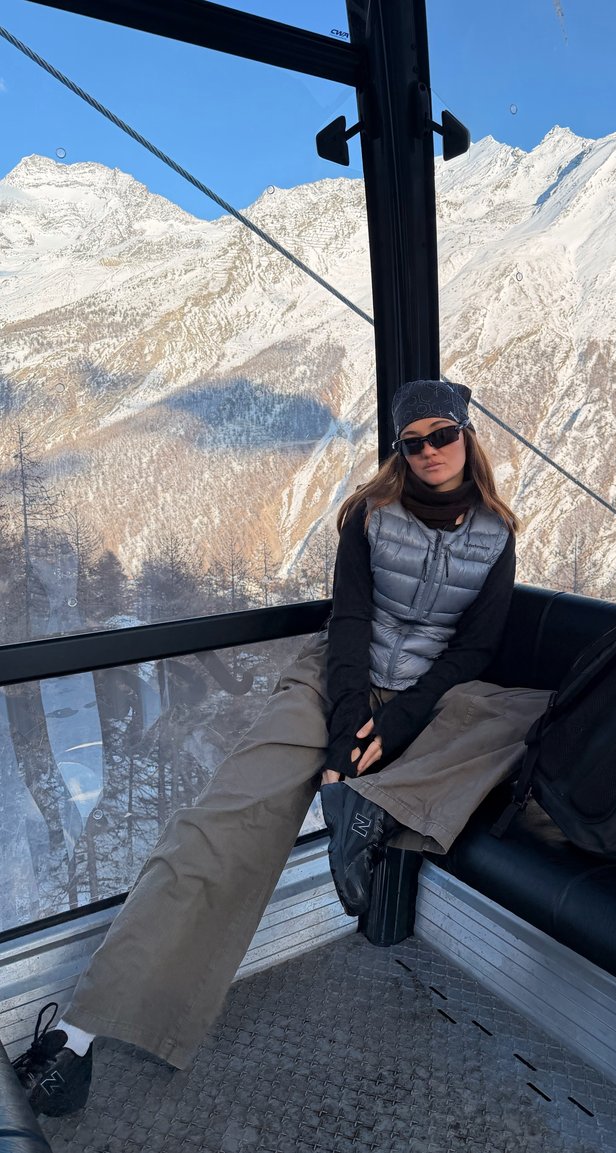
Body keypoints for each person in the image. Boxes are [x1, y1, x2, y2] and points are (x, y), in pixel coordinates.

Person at [13, 379, 552, 1118]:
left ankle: (369, 803)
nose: (429, 451)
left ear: (468, 436)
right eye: (413, 441)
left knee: (528, 717)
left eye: (443, 435)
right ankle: (75, 1039)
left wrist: (394, 728)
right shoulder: (369, 516)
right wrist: (344, 736)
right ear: (399, 450)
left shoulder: (497, 534)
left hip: (428, 699)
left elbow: (476, 649)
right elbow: (351, 622)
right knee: (217, 824)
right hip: (336, 681)